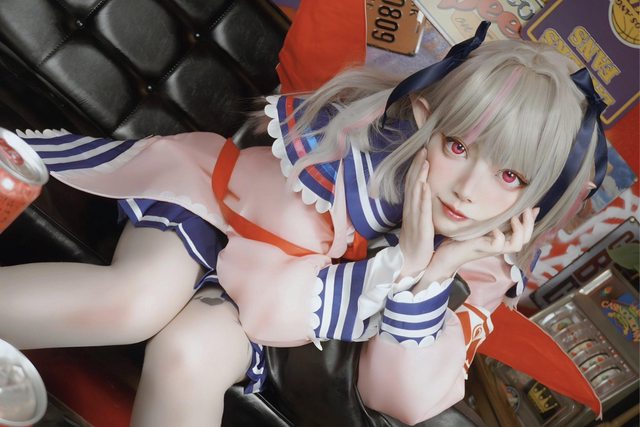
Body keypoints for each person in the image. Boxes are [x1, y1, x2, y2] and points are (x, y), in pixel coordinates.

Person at [0, 19, 605, 426]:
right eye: (458, 147)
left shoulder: (483, 265)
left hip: (274, 320)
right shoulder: (351, 145)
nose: (469, 190)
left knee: (191, 352)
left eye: (509, 176)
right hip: (221, 221)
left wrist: (430, 271)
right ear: (425, 118)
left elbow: (398, 397)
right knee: (137, 301)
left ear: (536, 194)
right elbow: (259, 286)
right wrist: (399, 261)